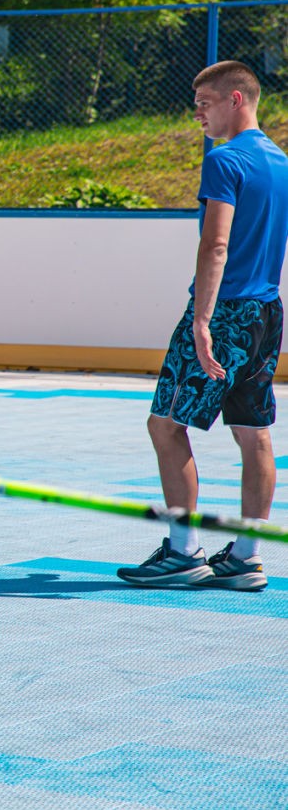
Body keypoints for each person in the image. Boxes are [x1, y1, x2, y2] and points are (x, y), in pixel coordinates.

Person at [120, 61, 288, 592]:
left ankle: (183, 552)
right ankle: (246, 557)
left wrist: (201, 320)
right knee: (254, 433)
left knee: (166, 425)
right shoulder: (281, 162)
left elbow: (216, 244)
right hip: (266, 312)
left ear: (236, 99)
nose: (198, 114)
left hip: (226, 311)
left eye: (205, 103)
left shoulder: (224, 159)